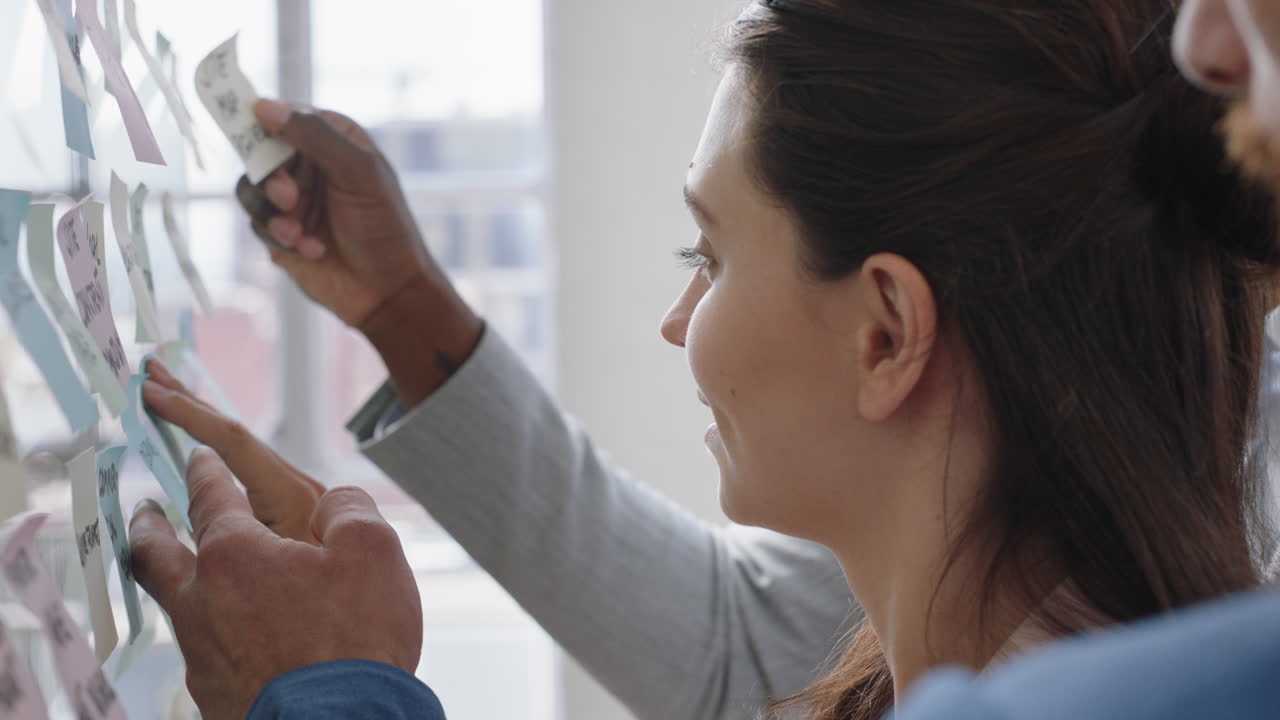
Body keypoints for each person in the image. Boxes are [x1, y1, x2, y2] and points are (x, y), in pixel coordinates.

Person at [128, 0, 1280, 718]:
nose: (679, 321)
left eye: (708, 251)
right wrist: (400, 308)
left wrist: (337, 697)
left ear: (883, 332)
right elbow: (742, 659)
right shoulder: (994, 573)